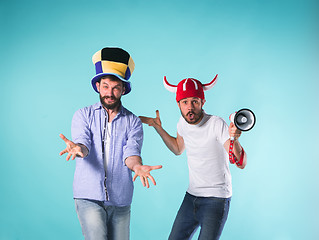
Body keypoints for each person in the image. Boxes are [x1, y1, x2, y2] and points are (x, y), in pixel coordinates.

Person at [59, 47, 162, 240]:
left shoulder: (133, 121)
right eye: (105, 86)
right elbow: (84, 142)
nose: (110, 93)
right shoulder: (83, 115)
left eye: (115, 87)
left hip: (121, 199)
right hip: (88, 196)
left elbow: (130, 153)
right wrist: (78, 148)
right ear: (98, 86)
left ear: (123, 89)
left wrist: (138, 166)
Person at [139, 75, 247, 240]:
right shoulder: (182, 123)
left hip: (216, 198)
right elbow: (177, 149)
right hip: (191, 197)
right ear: (178, 104)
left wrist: (235, 139)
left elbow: (240, 162)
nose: (190, 107)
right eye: (185, 102)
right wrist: (157, 128)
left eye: (195, 101)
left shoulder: (216, 124)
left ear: (203, 102)